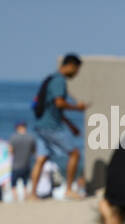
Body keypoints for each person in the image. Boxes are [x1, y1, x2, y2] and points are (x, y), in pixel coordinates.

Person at [28, 54, 88, 200]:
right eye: (77, 69)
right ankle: (69, 189)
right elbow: (59, 103)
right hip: (51, 126)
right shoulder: (59, 81)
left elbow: (54, 109)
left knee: (41, 158)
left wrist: (71, 125)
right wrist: (77, 107)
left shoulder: (50, 78)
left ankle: (32, 194)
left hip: (40, 124)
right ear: (70, 66)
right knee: (74, 153)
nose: (77, 73)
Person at [8, 122, 36, 199]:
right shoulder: (31, 138)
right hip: (26, 164)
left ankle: (15, 198)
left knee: (14, 184)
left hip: (16, 165)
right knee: (25, 184)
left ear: (17, 128)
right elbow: (34, 151)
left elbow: (10, 151)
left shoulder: (13, 137)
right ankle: (25, 197)